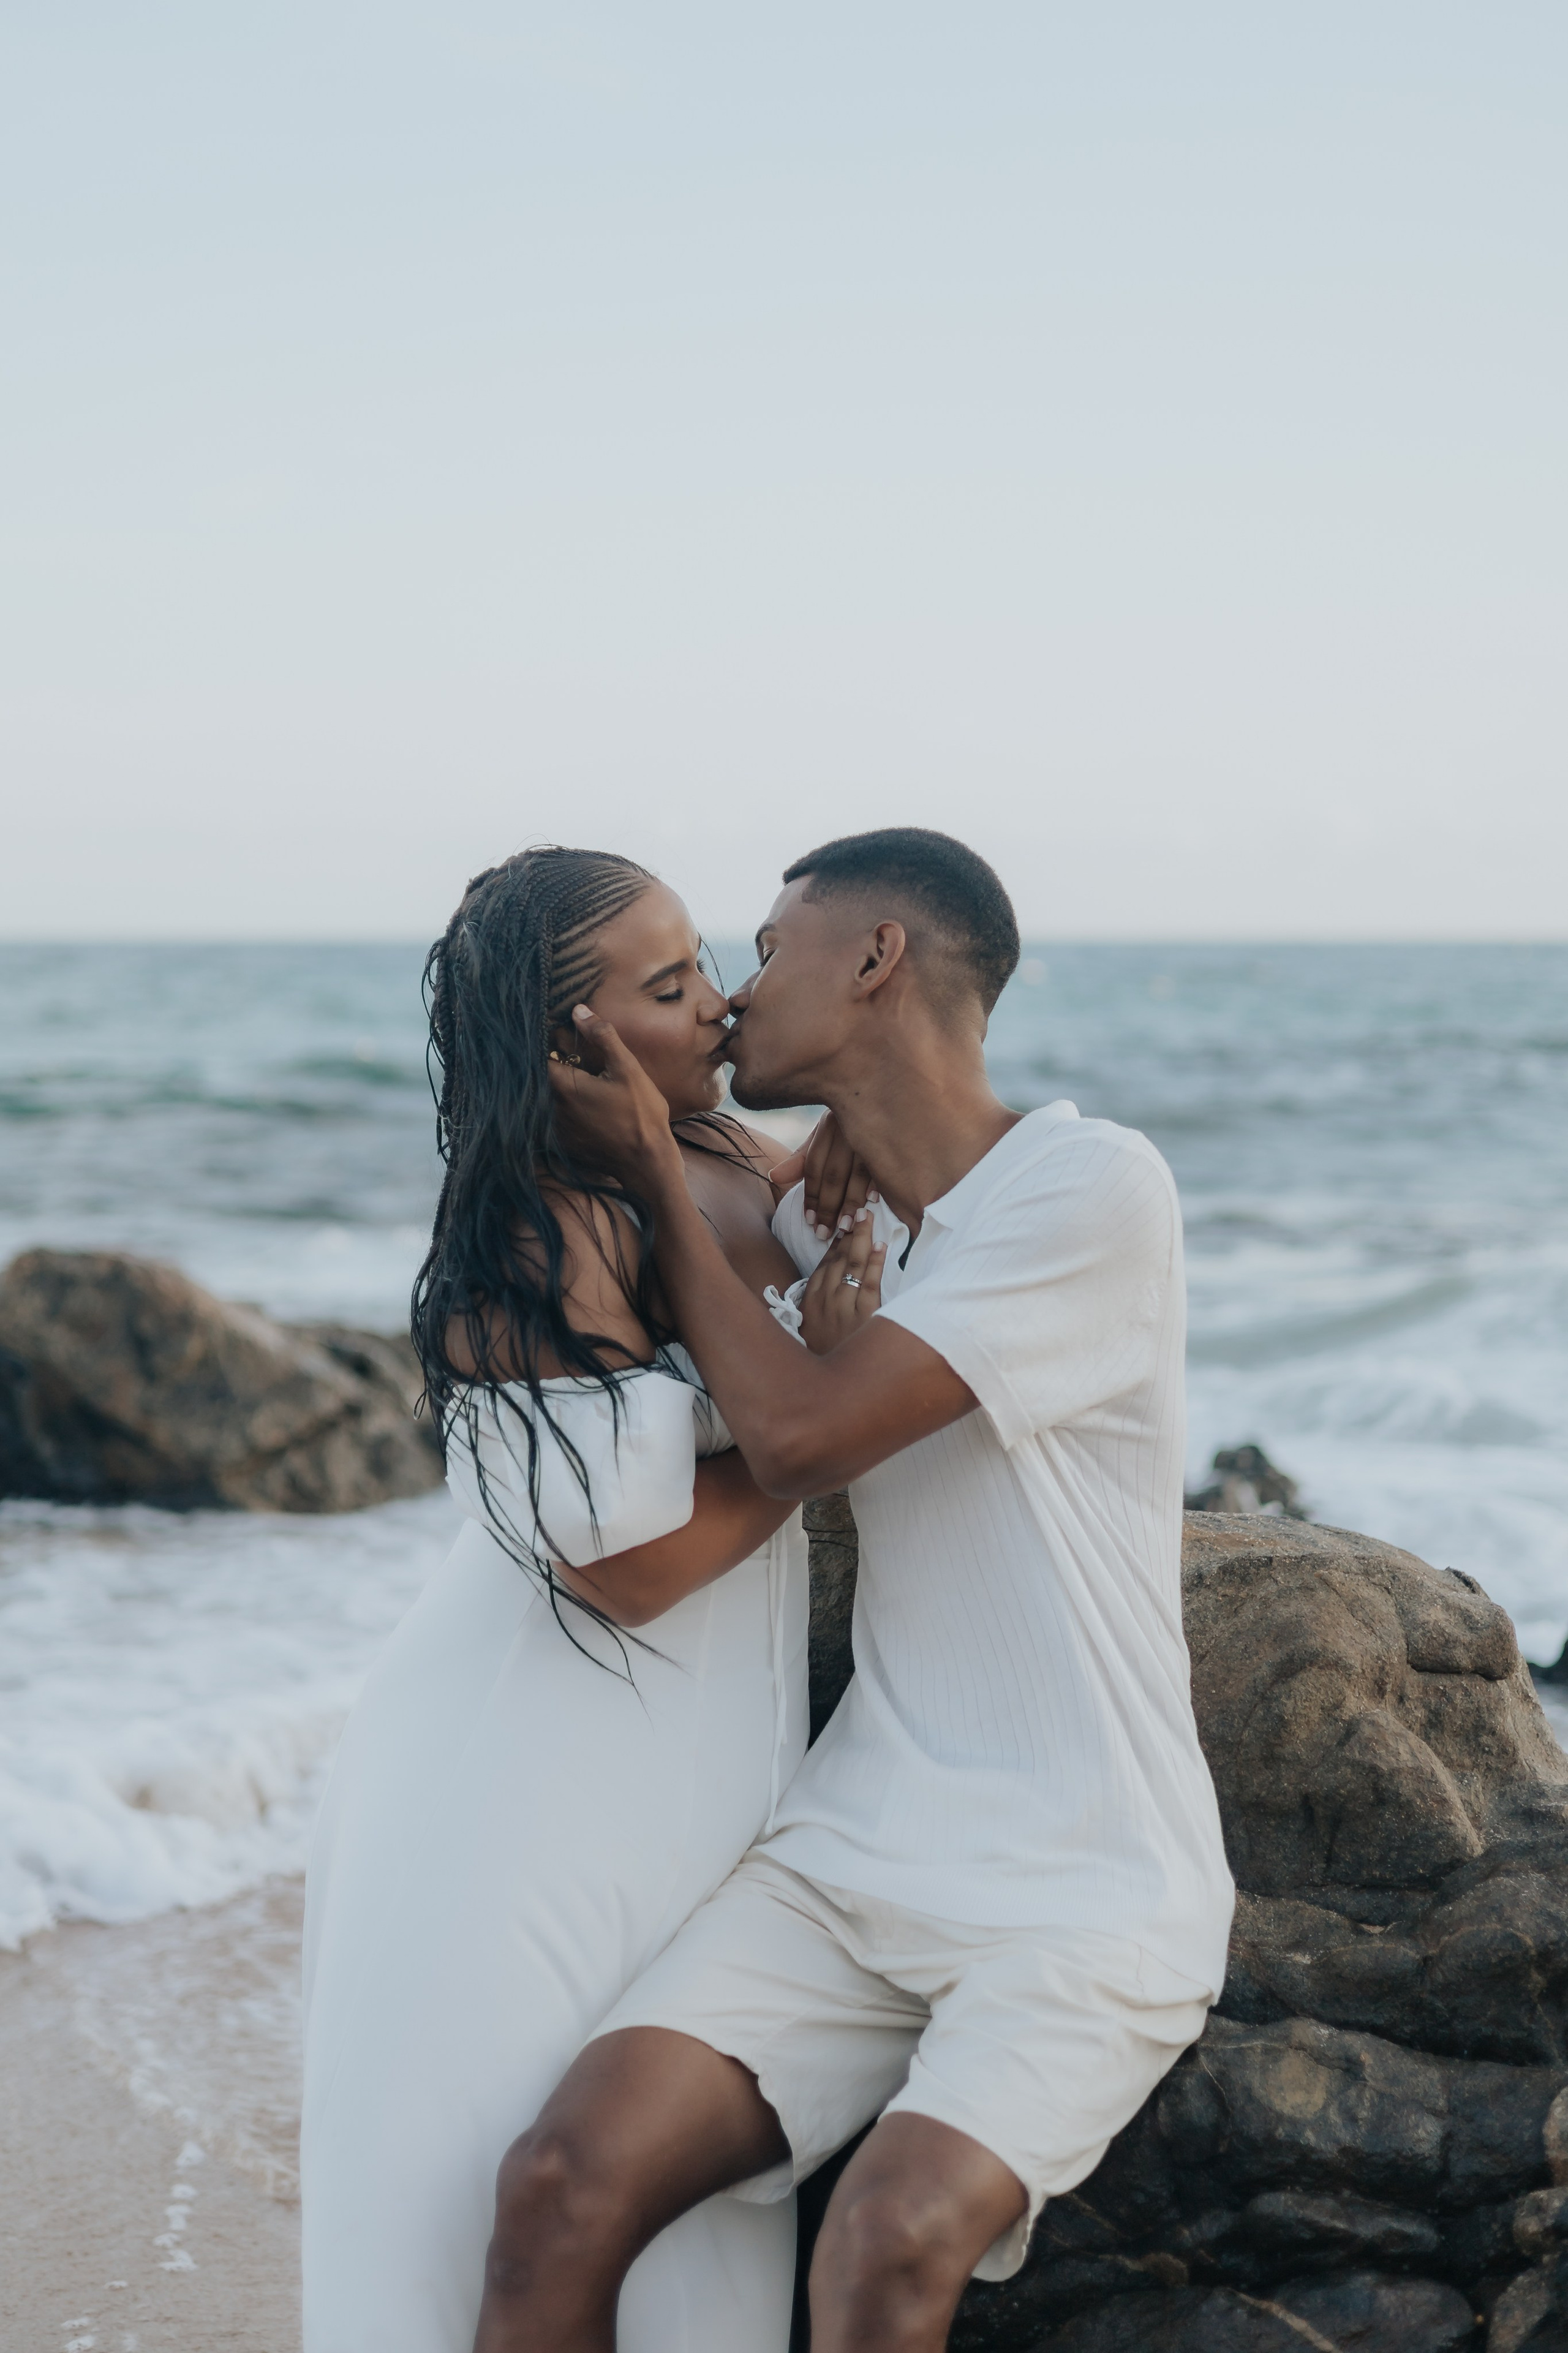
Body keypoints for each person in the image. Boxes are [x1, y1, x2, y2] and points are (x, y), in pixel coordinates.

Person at [470, 826, 1235, 2353]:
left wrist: (662, 1182)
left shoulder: (1089, 1186)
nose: (739, 993)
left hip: (1083, 1881)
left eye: (765, 948)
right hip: (853, 1848)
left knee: (886, 2240)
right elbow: (650, 1192)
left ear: (876, 958)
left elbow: (803, 1434)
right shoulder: (841, 1217)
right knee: (558, 2185)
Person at [300, 845, 858, 2353]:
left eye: (707, 965)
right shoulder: (539, 1232)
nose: (722, 1005)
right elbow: (624, 1572)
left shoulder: (724, 1153)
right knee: (473, 2202)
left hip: (694, 1768)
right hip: (517, 1777)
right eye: (671, 987)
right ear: (569, 1045)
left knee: (689, 2251)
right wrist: (823, 1438)